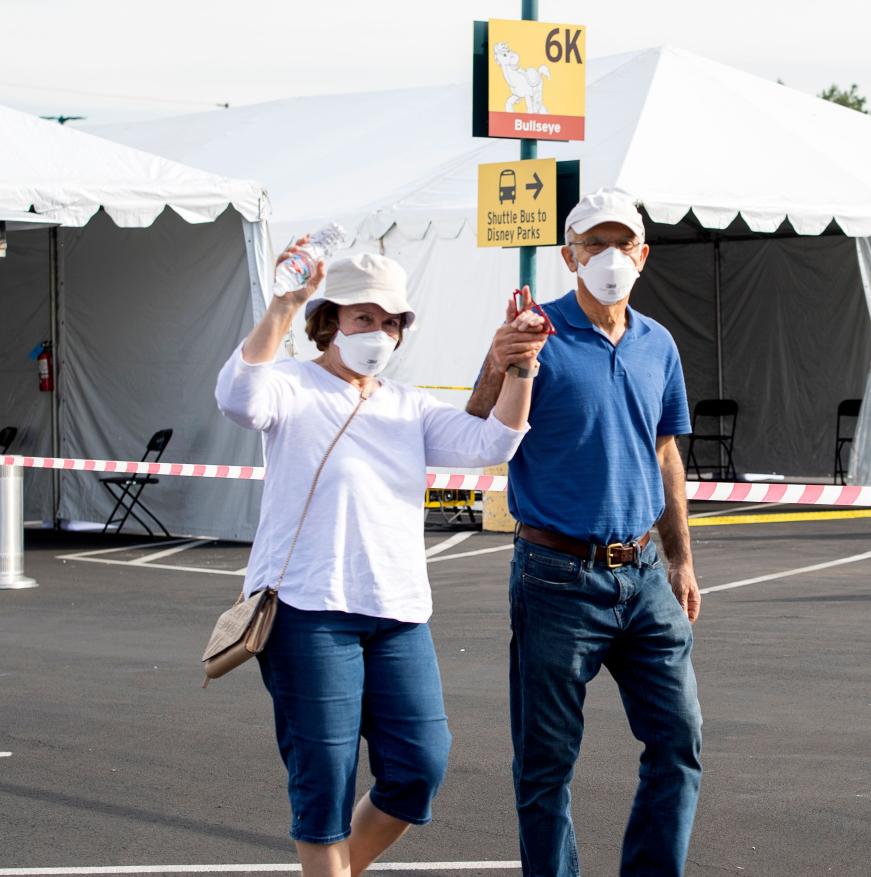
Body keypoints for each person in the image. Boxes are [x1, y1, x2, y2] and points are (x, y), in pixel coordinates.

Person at [215, 244, 546, 877]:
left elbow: (491, 442)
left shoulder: (407, 403)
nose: (379, 332)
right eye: (363, 318)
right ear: (328, 321)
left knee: (419, 766)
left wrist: (521, 369)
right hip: (307, 613)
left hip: (396, 613)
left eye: (390, 321)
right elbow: (238, 397)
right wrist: (284, 303)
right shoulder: (290, 383)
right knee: (325, 782)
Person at [467, 189, 704, 877]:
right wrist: (497, 359)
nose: (608, 257)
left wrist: (682, 561)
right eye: (592, 244)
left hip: (643, 573)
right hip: (557, 575)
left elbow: (666, 454)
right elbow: (481, 431)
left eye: (620, 244)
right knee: (545, 765)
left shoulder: (657, 343)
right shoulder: (538, 330)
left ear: (642, 254)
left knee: (679, 739)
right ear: (568, 255)